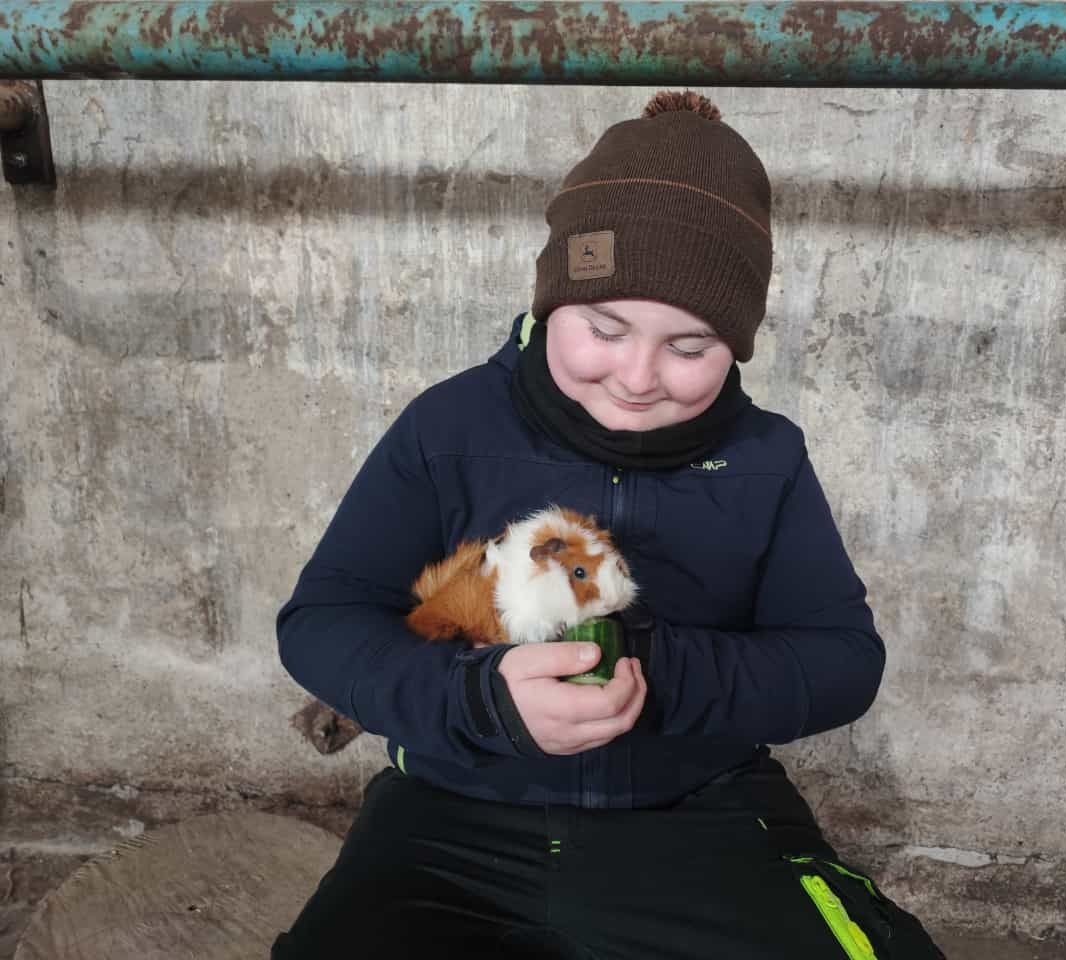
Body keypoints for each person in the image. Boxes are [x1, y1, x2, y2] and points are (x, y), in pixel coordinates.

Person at [273, 90, 944, 959]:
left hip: (699, 812)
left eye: (690, 346)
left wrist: (655, 668)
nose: (637, 375)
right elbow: (322, 623)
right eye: (605, 327)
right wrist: (482, 700)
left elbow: (845, 662)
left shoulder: (768, 458)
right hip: (451, 810)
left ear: (737, 343)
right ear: (553, 300)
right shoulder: (448, 429)